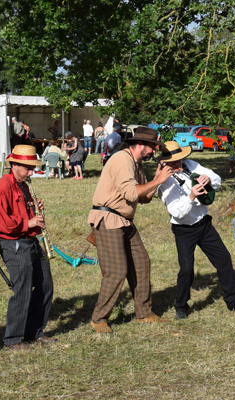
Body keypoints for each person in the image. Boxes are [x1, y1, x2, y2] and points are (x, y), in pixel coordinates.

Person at [88, 127, 174, 333]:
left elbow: (143, 198)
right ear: (140, 145)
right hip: (109, 220)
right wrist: (158, 180)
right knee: (116, 271)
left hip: (125, 221)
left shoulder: (137, 163)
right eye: (152, 147)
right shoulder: (122, 159)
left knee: (142, 263)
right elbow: (131, 194)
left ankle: (144, 314)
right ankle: (99, 319)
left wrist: (156, 179)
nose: (153, 151)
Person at [156, 141, 235, 319]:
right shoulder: (164, 183)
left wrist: (207, 179)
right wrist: (191, 196)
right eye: (173, 161)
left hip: (204, 224)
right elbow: (177, 213)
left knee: (224, 258)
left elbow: (217, 180)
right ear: (165, 162)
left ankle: (232, 300)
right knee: (186, 269)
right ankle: (181, 306)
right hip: (184, 230)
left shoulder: (190, 165)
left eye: (180, 159)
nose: (178, 163)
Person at [0, 145, 56, 350]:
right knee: (23, 290)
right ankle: (13, 339)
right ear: (14, 165)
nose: (30, 173)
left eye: (32, 168)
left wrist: (34, 209)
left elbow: (20, 212)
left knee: (45, 286)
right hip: (14, 243)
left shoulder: (23, 185)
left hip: (30, 240)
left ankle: (34, 332)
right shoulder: (2, 186)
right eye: (27, 168)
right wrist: (28, 223)